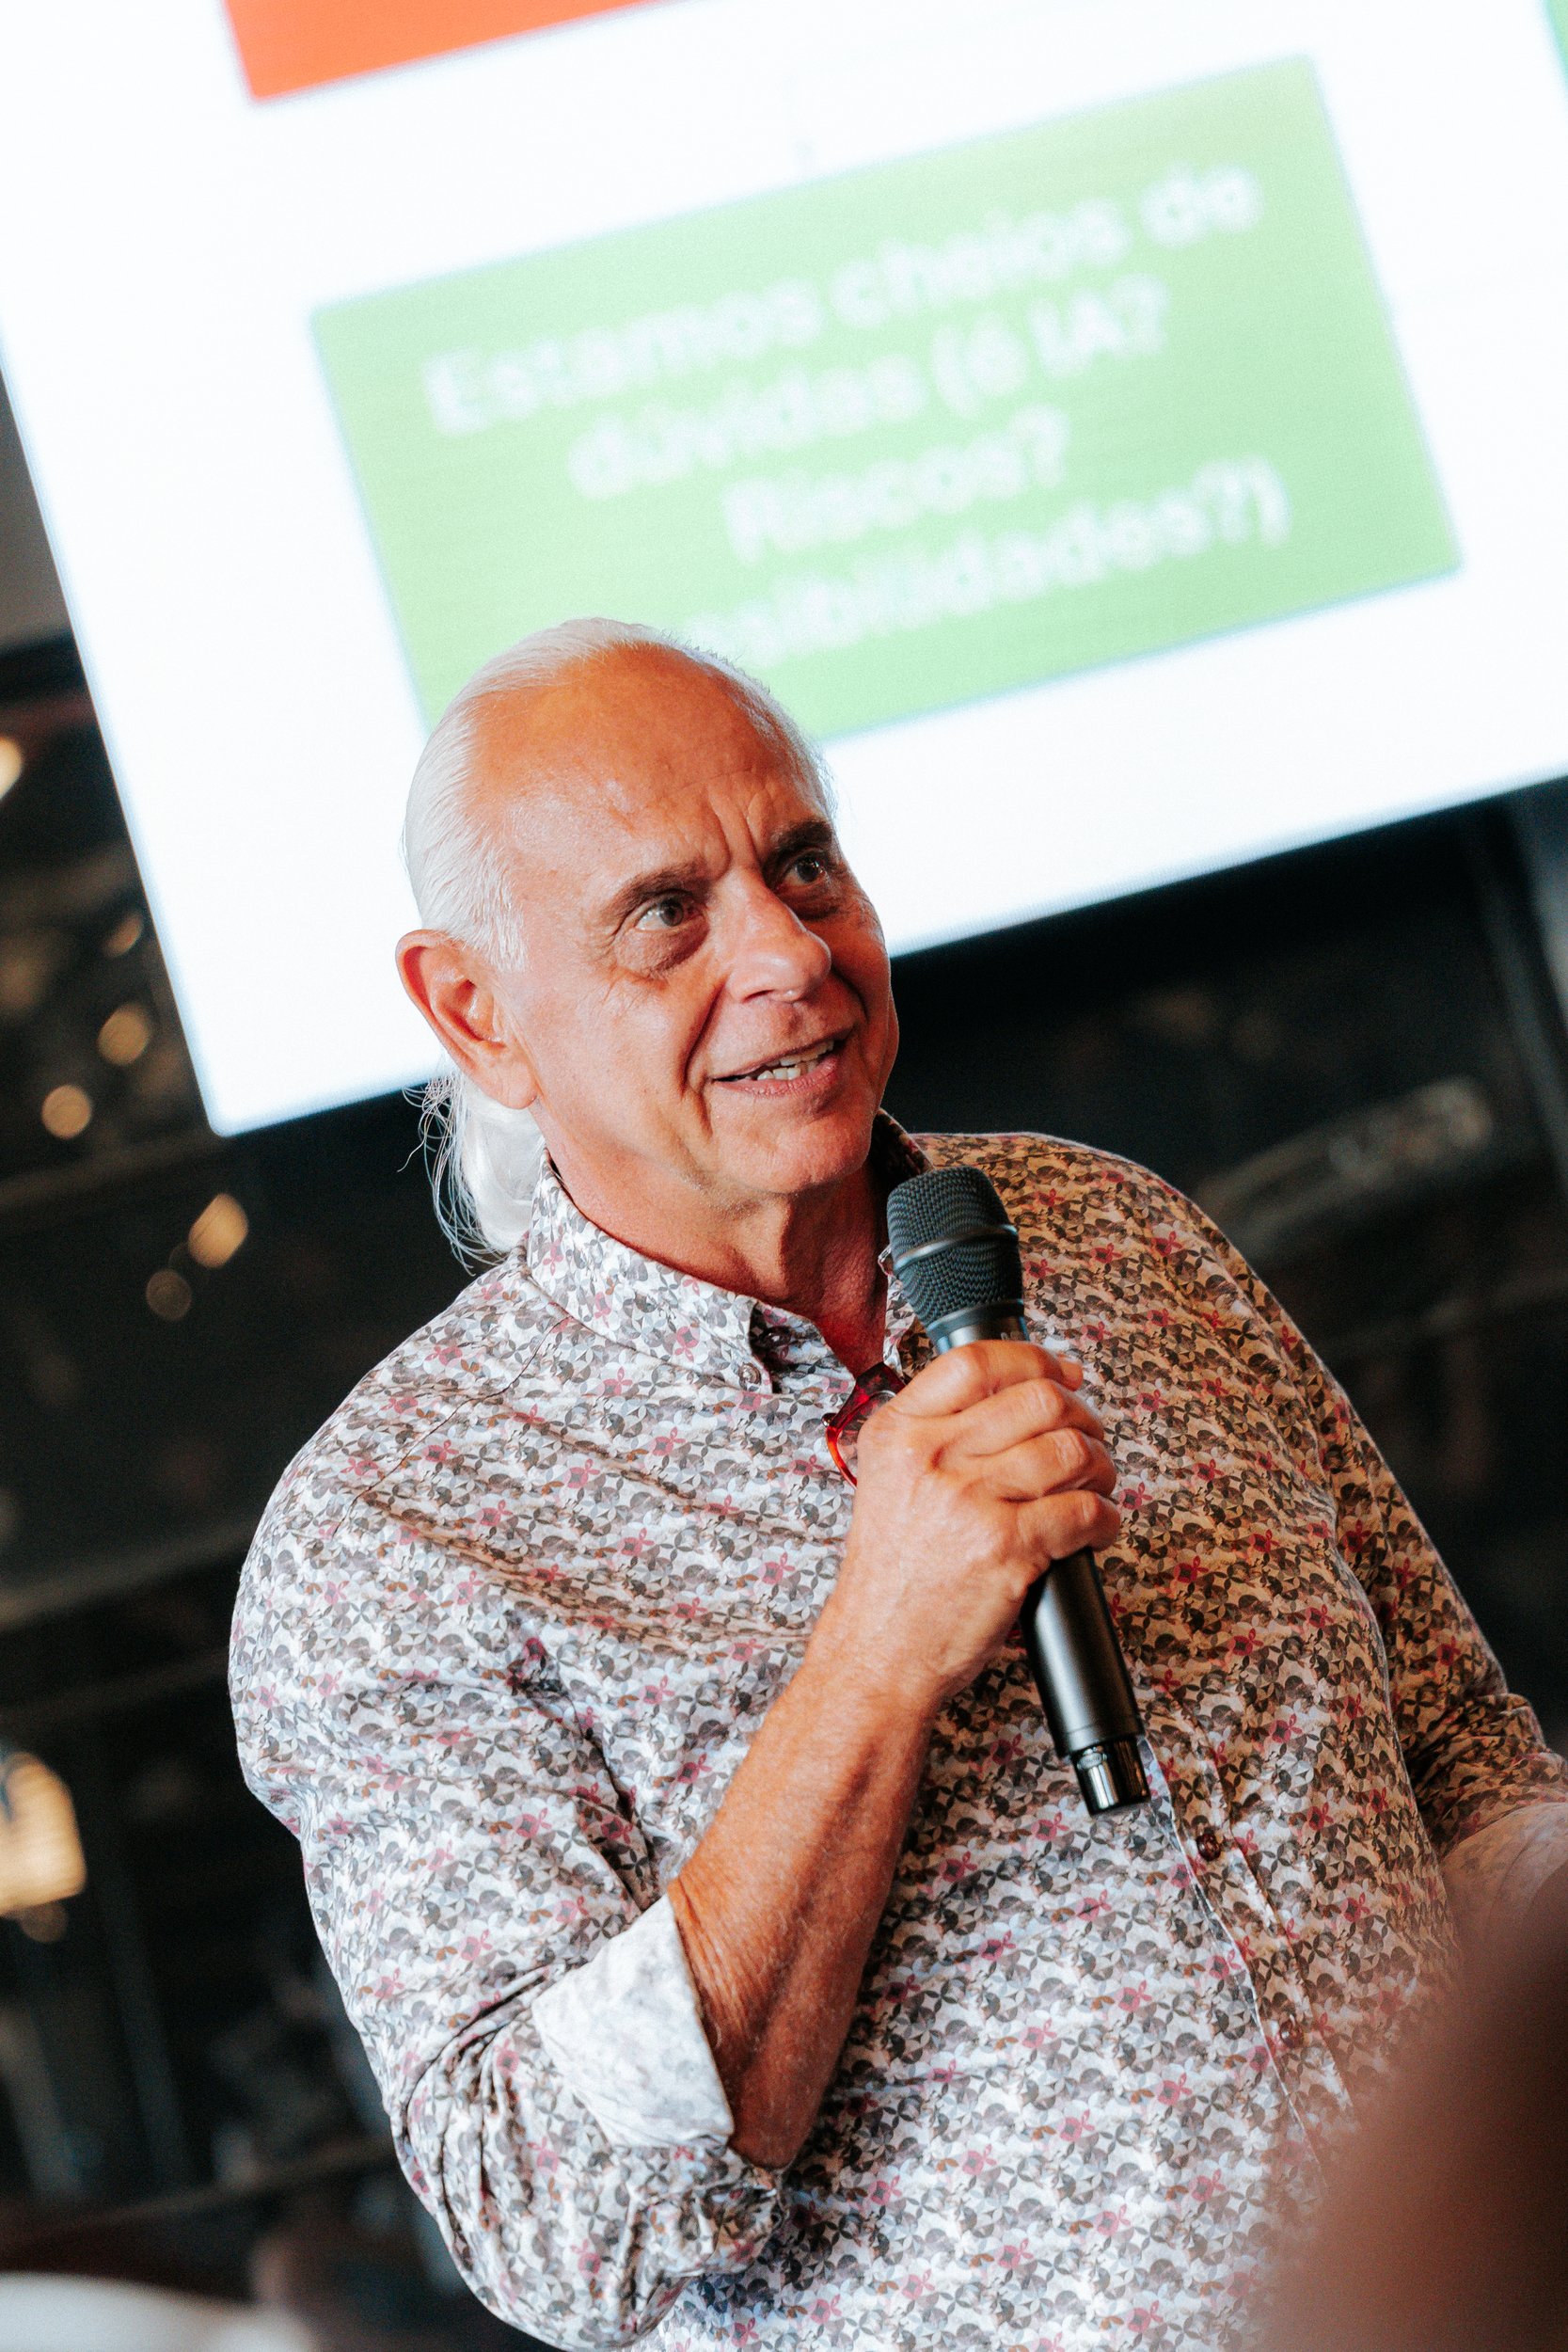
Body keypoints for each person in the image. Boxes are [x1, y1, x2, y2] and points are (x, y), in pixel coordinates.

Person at [230, 620, 1568, 2352]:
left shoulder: (1119, 1236)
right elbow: (555, 2225)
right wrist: (874, 1657)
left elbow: (1462, 1762)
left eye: (804, 865)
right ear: (477, 1014)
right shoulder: (395, 1536)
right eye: (668, 913)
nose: (790, 953)